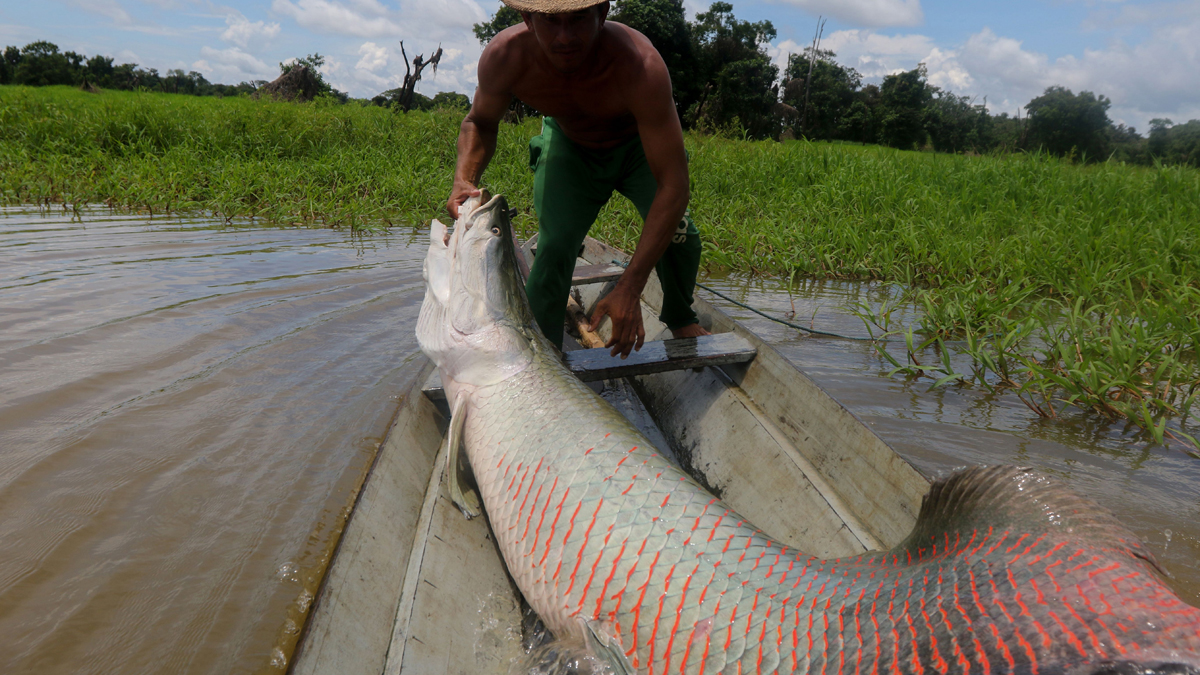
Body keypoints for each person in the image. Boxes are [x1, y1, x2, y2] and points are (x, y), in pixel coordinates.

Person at [447, 0, 710, 358]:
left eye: (578, 20)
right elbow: (479, 122)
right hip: (570, 145)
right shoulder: (505, 56)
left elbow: (674, 185)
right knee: (554, 248)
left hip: (637, 148)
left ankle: (680, 317)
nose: (565, 37)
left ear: (602, 15)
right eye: (552, 22)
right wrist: (464, 178)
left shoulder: (640, 64)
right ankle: (544, 357)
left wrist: (631, 287)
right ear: (528, 19)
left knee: (681, 238)